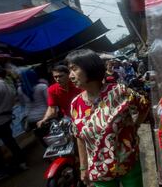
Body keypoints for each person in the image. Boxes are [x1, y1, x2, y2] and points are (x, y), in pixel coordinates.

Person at [66, 49, 149, 187]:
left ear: (89, 67)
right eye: (69, 71)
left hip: (128, 163)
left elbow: (144, 106)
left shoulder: (119, 91)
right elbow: (79, 137)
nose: (70, 76)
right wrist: (83, 167)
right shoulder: (76, 104)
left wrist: (135, 125)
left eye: (74, 69)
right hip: (100, 171)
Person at [0, 66, 27, 184]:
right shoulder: (8, 85)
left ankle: (1, 172)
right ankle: (22, 162)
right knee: (10, 142)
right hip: (5, 118)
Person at [17, 68, 48, 146]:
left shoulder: (20, 89)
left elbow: (22, 103)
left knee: (41, 138)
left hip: (31, 118)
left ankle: (50, 155)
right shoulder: (42, 86)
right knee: (51, 136)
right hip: (44, 116)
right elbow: (49, 102)